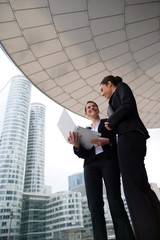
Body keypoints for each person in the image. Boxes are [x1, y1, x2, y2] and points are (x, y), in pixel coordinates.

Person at [100, 75, 160, 240]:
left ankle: (146, 234)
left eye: (102, 89)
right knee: (141, 186)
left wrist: (111, 122)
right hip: (130, 138)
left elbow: (128, 106)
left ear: (109, 84)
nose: (102, 93)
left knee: (132, 188)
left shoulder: (121, 87)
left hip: (130, 137)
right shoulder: (114, 99)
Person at [68, 101, 135, 240]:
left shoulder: (108, 123)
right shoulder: (83, 131)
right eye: (88, 107)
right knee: (94, 204)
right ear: (86, 113)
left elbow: (118, 140)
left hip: (108, 161)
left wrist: (108, 142)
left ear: (98, 109)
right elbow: (83, 154)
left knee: (115, 200)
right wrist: (76, 146)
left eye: (94, 106)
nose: (92, 108)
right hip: (90, 166)